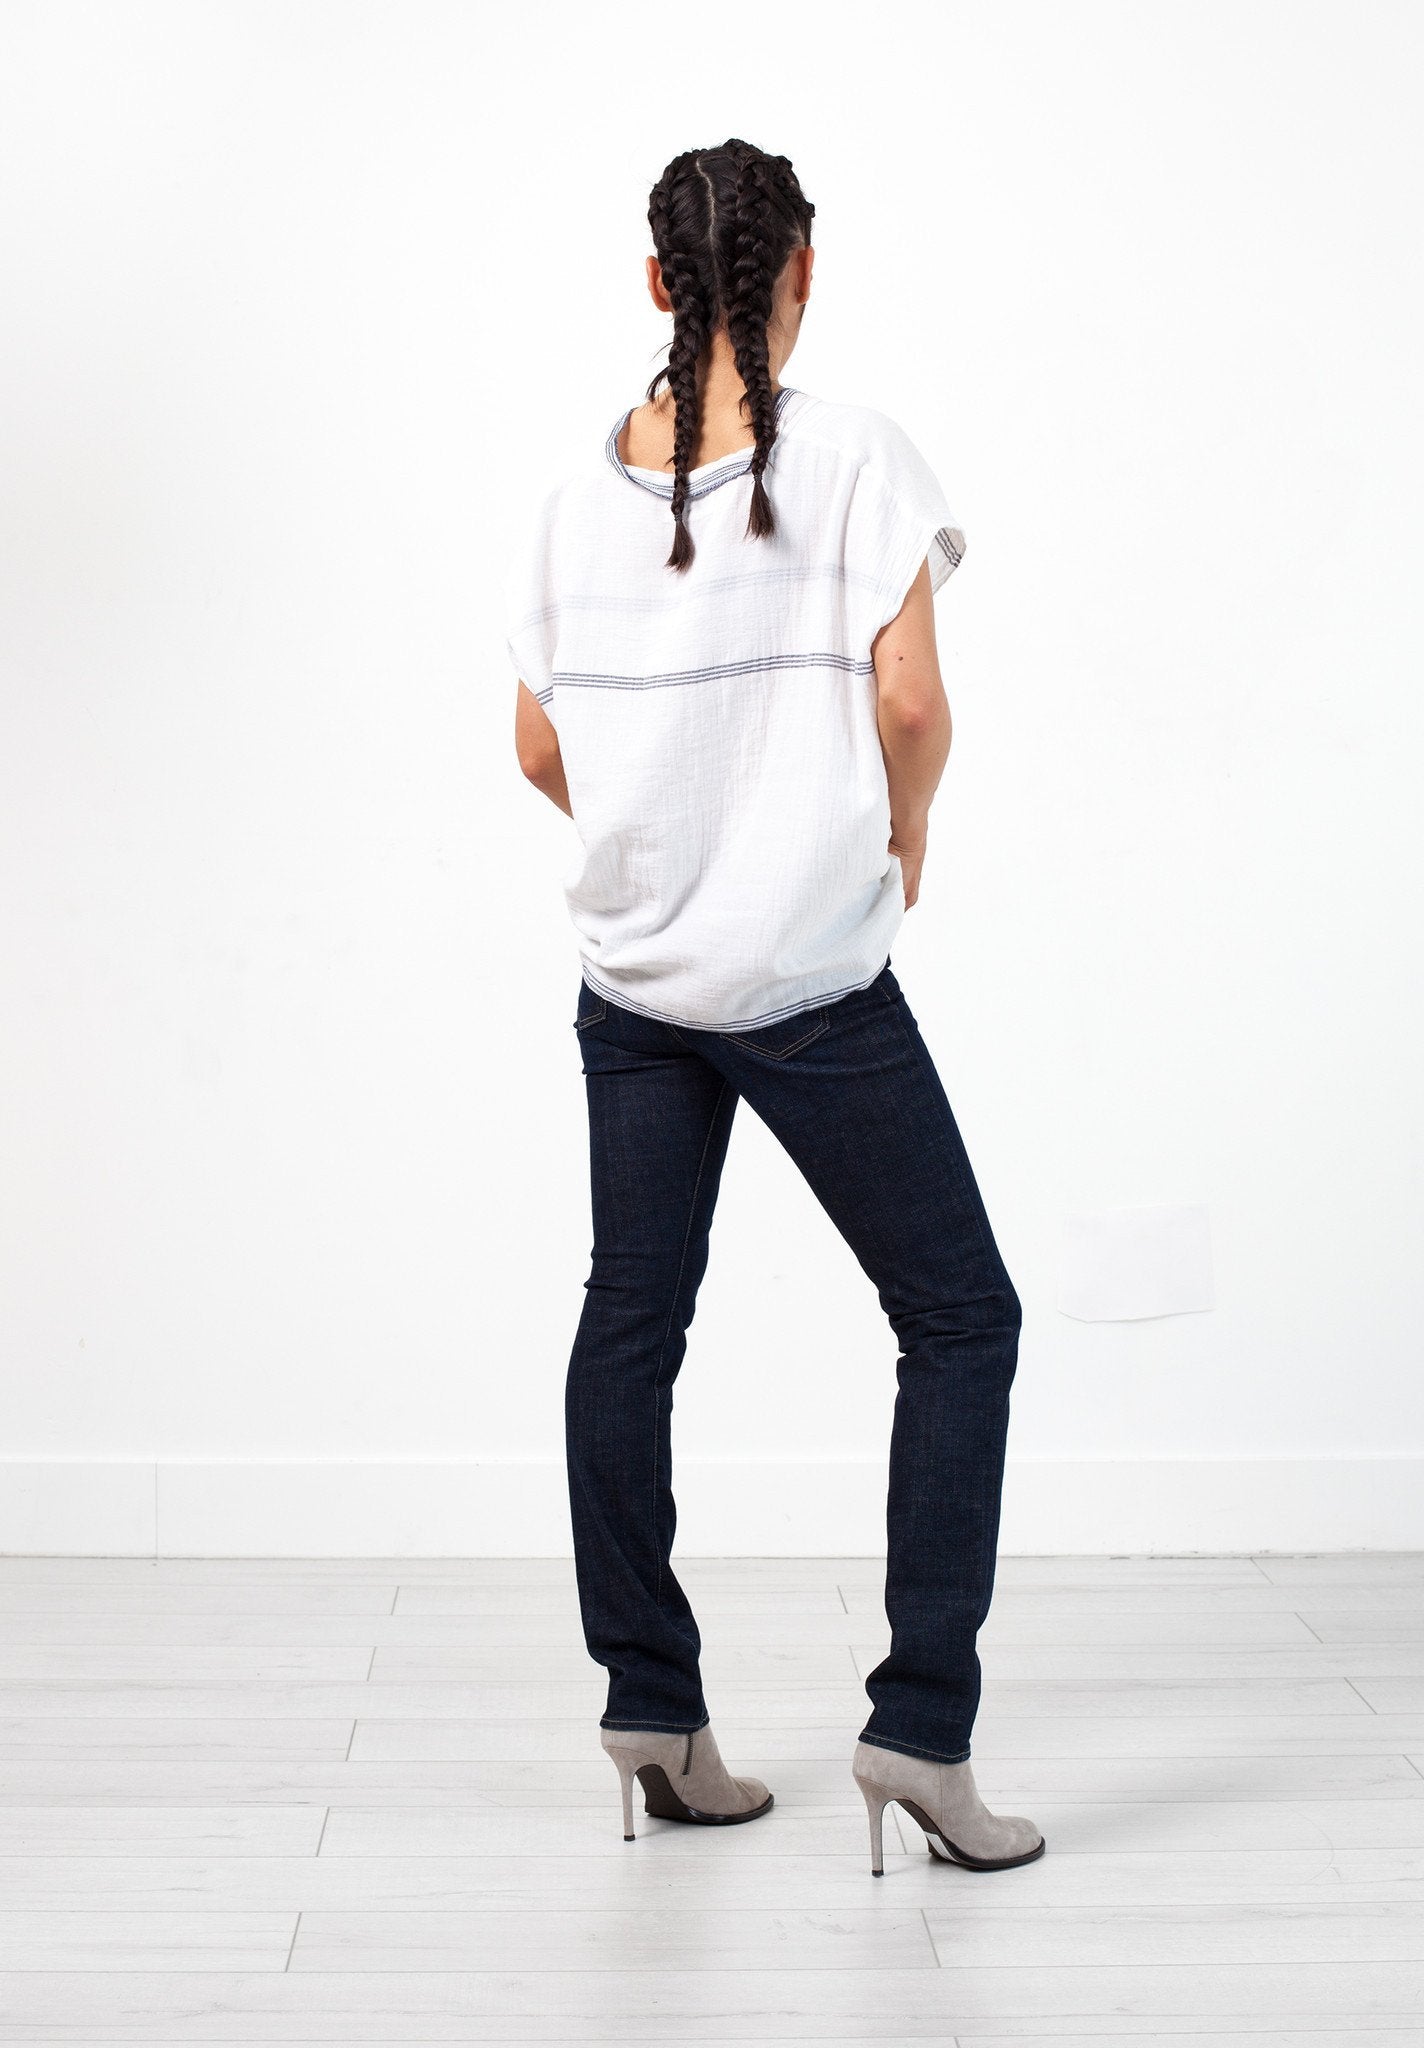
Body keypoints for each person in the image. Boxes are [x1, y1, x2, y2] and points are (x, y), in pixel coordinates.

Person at [502, 138, 1043, 1876]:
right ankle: (921, 1735)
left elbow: (537, 747)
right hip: (807, 980)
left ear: (655, 284)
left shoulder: (572, 497)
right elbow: (910, 704)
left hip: (631, 981)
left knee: (629, 1322)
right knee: (958, 1318)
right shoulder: (859, 458)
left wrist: (662, 834)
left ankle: (648, 1707)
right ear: (803, 269)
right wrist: (906, 825)